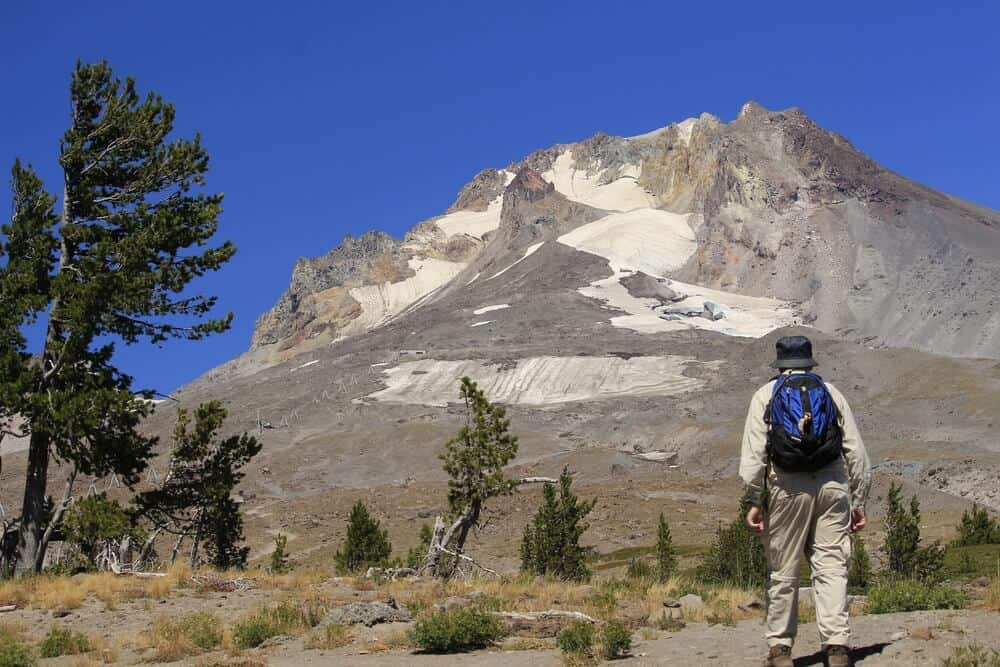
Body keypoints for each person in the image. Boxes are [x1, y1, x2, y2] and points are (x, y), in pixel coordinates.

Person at [739, 335, 871, 667]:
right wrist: (859, 501)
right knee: (831, 566)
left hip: (788, 488)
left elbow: (753, 456)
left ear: (780, 364)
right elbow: (856, 451)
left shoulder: (765, 395)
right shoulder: (831, 393)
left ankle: (781, 649)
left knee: (783, 569)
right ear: (810, 363)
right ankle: (837, 645)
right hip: (833, 485)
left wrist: (754, 499)